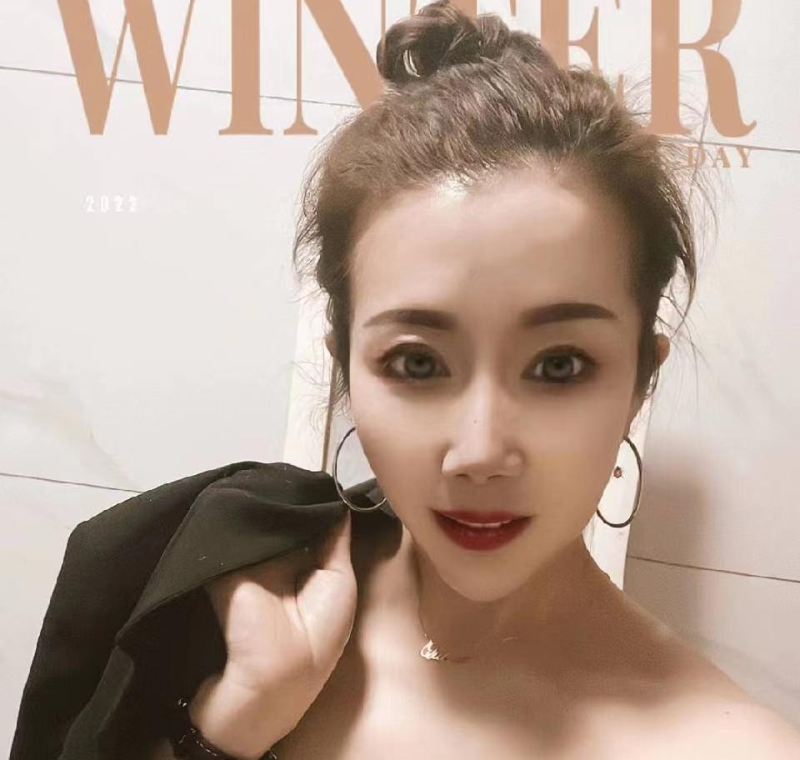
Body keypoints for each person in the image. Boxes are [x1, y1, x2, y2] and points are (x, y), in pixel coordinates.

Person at [18, 2, 799, 759]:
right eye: (417, 363)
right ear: (346, 364)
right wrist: (231, 724)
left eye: (558, 366)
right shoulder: (209, 616)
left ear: (639, 380)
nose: (480, 453)